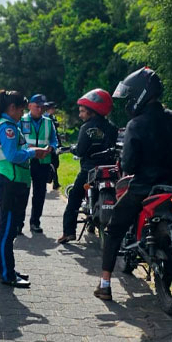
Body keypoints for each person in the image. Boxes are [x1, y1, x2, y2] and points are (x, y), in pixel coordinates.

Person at [94, 67, 172, 301]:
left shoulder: (136, 124)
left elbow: (130, 166)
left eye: (131, 96)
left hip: (145, 187)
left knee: (113, 229)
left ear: (141, 95)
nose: (130, 102)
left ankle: (104, 284)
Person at [0, 91, 51, 288]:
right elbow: (13, 155)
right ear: (12, 108)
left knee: (9, 230)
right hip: (11, 183)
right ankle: (7, 275)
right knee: (7, 231)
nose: (22, 114)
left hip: (14, 183)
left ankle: (9, 269)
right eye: (21, 110)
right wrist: (33, 152)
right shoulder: (7, 128)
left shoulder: (8, 126)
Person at [57, 89, 118, 244]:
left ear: (92, 111)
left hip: (90, 170)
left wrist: (72, 149)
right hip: (111, 169)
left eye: (82, 111)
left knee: (75, 197)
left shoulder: (87, 128)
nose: (80, 115)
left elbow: (81, 150)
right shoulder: (112, 127)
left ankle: (68, 232)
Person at [20, 94, 58, 234]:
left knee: (39, 194)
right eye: (37, 106)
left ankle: (35, 222)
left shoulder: (48, 122)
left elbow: (54, 140)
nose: (40, 109)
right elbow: (17, 141)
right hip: (26, 161)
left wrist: (51, 147)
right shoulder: (21, 120)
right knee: (22, 193)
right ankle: (19, 224)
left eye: (43, 107)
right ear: (30, 105)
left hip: (43, 162)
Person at [43, 102, 63, 189]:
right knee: (52, 164)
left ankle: (54, 182)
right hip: (48, 145)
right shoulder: (46, 118)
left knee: (55, 164)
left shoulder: (52, 117)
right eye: (52, 108)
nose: (54, 110)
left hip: (55, 144)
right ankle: (52, 181)